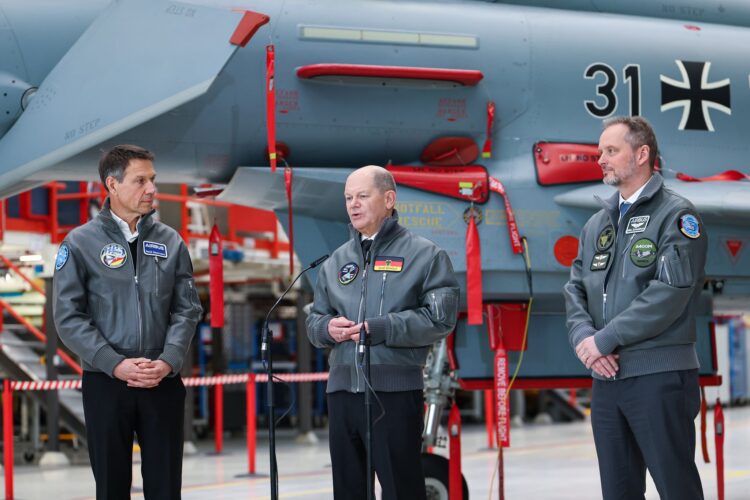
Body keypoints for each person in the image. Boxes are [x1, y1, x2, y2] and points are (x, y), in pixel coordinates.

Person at [563, 116, 707, 499]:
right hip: (608, 381)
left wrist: (606, 339)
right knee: (618, 491)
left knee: (676, 488)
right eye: (600, 152)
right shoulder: (597, 224)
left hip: (658, 378)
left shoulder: (676, 216)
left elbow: (669, 293)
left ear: (642, 154)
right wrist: (585, 340)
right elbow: (575, 288)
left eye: (611, 151)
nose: (601, 159)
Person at [53, 145, 203, 499]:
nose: (151, 188)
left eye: (153, 179)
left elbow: (188, 309)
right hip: (107, 384)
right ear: (112, 185)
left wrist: (168, 360)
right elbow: (69, 317)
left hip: (161, 382)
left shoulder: (171, 242)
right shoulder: (79, 243)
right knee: (111, 487)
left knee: (166, 487)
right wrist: (114, 363)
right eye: (140, 180)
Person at [306, 165, 459, 500]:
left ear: (389, 199)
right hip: (343, 393)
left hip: (393, 395)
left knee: (401, 490)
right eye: (348, 197)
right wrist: (327, 328)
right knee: (348, 491)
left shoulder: (425, 255)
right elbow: (314, 321)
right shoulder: (335, 262)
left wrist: (383, 328)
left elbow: (441, 320)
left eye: (362, 195)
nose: (353, 204)